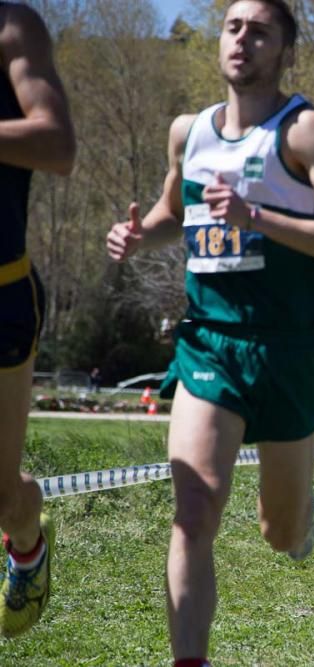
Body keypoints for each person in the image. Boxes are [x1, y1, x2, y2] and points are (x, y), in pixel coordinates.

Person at [105, 2, 314, 664]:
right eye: (232, 27)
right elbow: (175, 210)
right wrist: (141, 236)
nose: (242, 40)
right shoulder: (187, 131)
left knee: (278, 532)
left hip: (287, 347)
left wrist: (262, 218)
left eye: (260, 31)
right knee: (193, 511)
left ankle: (300, 513)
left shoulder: (303, 131)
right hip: (209, 342)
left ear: (284, 50)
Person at [0, 2, 76, 638]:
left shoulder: (12, 27)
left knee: (4, 495)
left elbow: (57, 142)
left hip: (3, 293)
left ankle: (27, 546)